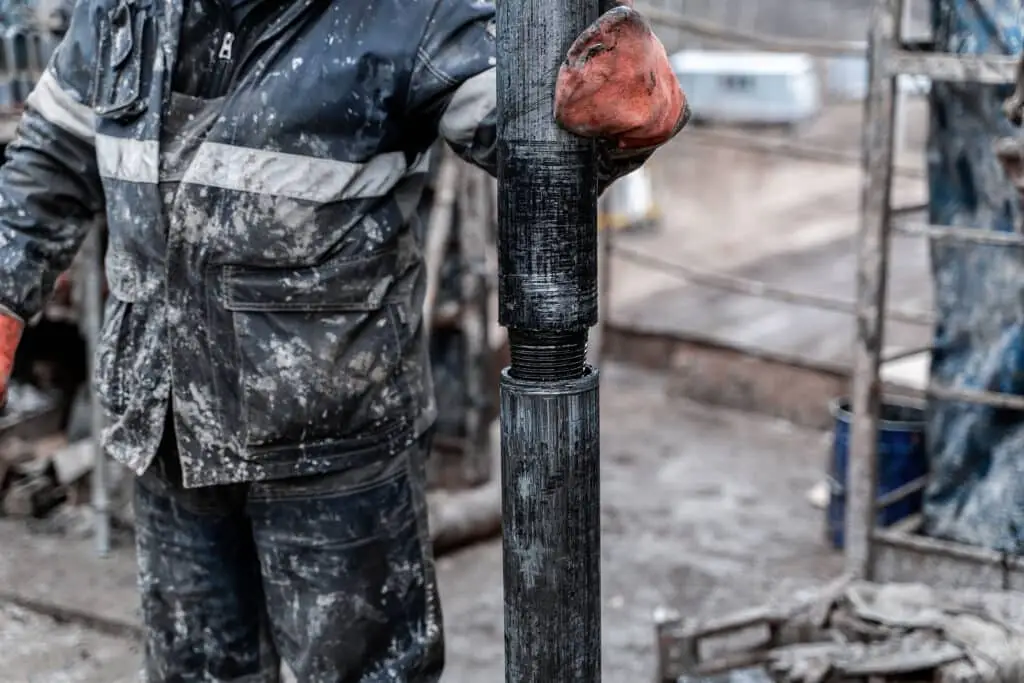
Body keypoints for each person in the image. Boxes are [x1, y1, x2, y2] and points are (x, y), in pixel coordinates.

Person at [0, 0, 688, 679]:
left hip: (332, 453)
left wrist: (618, 115)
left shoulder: (405, 15)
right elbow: (53, 155)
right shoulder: (123, 9)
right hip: (168, 432)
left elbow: (549, 139)